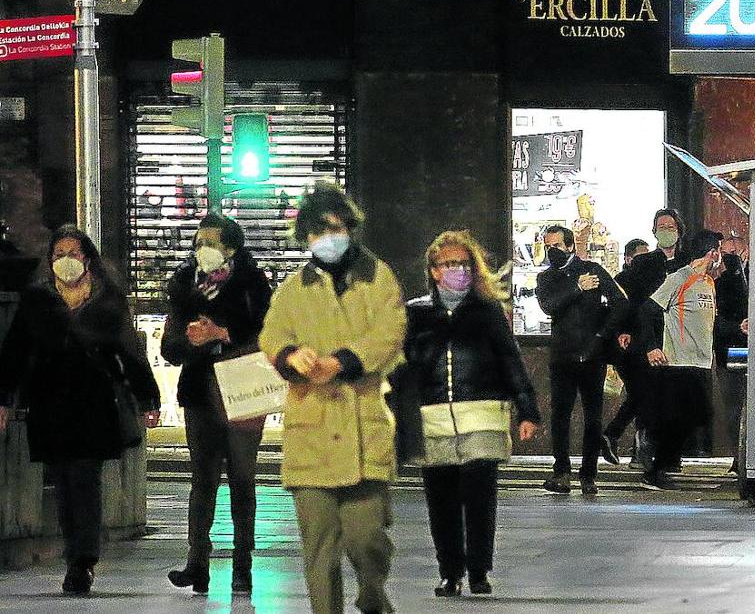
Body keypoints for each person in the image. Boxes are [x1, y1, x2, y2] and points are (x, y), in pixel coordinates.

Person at [258, 182, 406, 614]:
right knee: (319, 551)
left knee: (367, 540)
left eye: (337, 229)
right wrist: (291, 356)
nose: (329, 239)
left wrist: (343, 362)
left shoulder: (378, 278)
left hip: (363, 428)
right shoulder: (292, 289)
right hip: (311, 432)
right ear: (305, 237)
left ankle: (373, 592)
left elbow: (389, 333)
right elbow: (272, 335)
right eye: (319, 232)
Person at [0, 225, 161, 596]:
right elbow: (15, 352)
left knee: (85, 481)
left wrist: (147, 399)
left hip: (94, 403)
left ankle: (82, 561)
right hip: (50, 403)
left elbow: (130, 354)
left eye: (73, 254)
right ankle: (75, 551)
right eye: (58, 255)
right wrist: (5, 397)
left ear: (87, 258)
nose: (65, 262)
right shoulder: (37, 302)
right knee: (63, 482)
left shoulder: (108, 302)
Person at [400, 230, 540, 597]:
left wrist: (528, 409)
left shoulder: (487, 311)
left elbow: (510, 360)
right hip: (433, 416)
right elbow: (403, 367)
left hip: (481, 413)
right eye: (449, 264)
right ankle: (450, 571)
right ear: (433, 270)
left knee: (480, 495)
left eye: (463, 263)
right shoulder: (417, 313)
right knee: (440, 498)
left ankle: (478, 570)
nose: (457, 271)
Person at [162, 213, 273, 595]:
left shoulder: (252, 283)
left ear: (231, 248)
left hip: (242, 391)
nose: (202, 250)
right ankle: (198, 563)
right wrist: (192, 342)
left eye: (211, 243)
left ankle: (243, 565)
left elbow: (267, 330)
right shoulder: (182, 287)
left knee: (242, 478)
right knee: (202, 479)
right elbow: (169, 346)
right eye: (197, 243)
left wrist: (222, 333)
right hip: (199, 392)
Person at [638, 230, 735, 491]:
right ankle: (656, 466)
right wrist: (651, 347)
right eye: (719, 251)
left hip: (702, 362)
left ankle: (665, 461)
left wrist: (739, 327)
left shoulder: (708, 284)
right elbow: (647, 311)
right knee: (680, 416)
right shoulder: (679, 278)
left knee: (696, 416)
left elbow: (712, 323)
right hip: (678, 361)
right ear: (711, 253)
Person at [536, 225, 627, 495]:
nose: (553, 251)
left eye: (557, 246)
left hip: (592, 353)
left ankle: (589, 475)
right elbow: (549, 306)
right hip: (562, 354)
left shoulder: (593, 270)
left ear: (570, 246)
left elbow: (620, 303)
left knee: (593, 416)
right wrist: (577, 288)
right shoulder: (547, 278)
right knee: (560, 415)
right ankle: (561, 471)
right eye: (548, 246)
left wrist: (602, 335)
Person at [608, 209, 692, 470]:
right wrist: (628, 331)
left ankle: (671, 454)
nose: (666, 230)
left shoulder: (689, 261)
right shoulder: (644, 263)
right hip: (650, 336)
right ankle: (643, 451)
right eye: (661, 226)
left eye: (670, 226)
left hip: (680, 337)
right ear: (654, 231)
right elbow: (631, 302)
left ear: (679, 230)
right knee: (649, 394)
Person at [713, 235, 749, 474]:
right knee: (733, 404)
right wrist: (737, 327)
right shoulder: (719, 284)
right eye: (727, 254)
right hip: (731, 349)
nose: (732, 258)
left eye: (735, 253)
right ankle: (738, 456)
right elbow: (713, 320)